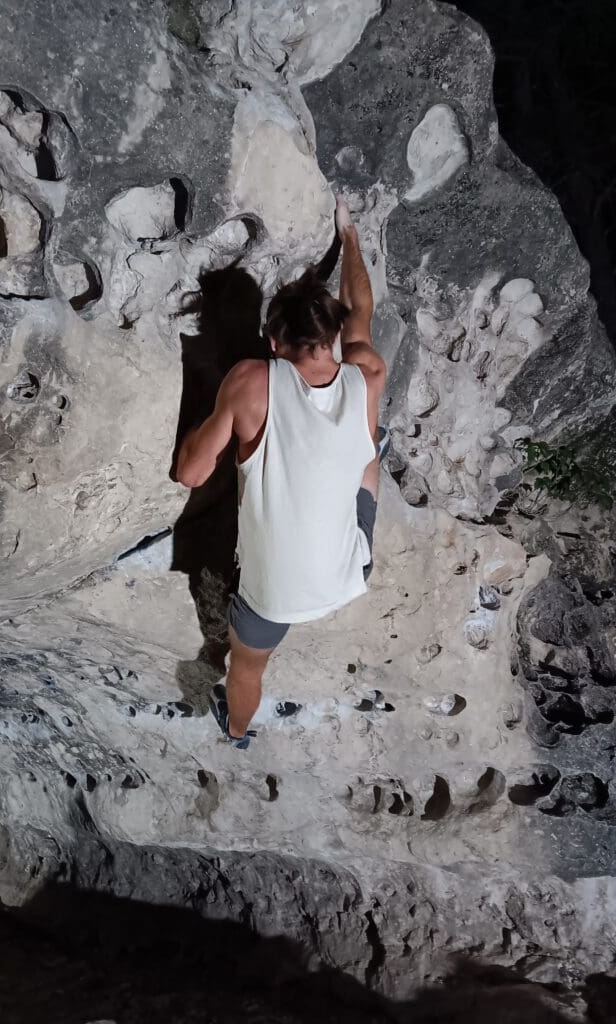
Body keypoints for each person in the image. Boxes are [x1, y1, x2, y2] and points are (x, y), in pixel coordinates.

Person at [175, 196, 387, 748]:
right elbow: (359, 308)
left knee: (246, 670)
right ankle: (348, 447)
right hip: (350, 572)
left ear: (272, 344)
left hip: (277, 598)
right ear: (333, 337)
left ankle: (238, 731)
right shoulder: (366, 370)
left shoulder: (251, 380)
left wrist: (207, 417)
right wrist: (350, 239)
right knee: (368, 450)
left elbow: (190, 474)